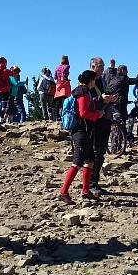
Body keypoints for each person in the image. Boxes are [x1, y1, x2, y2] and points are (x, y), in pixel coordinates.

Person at [56, 70, 103, 205]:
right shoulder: (83, 92)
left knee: (90, 160)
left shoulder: (80, 91)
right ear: (90, 80)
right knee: (77, 162)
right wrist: (97, 115)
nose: (95, 82)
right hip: (80, 132)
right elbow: (83, 112)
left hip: (83, 131)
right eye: (94, 80)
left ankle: (85, 191)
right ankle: (63, 192)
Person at [87, 57, 118, 197]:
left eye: (103, 65)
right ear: (93, 66)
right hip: (95, 121)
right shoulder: (88, 80)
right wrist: (102, 99)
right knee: (95, 153)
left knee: (101, 152)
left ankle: (95, 183)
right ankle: (90, 185)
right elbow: (85, 100)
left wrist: (110, 99)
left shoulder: (102, 80)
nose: (102, 68)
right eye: (100, 66)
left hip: (104, 118)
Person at [105, 65, 135, 139]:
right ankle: (124, 139)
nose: (127, 72)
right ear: (122, 70)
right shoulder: (123, 79)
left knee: (118, 123)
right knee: (122, 122)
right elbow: (134, 81)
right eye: (126, 70)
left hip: (112, 104)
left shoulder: (113, 79)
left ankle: (117, 144)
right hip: (120, 103)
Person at [0, 57, 12, 122]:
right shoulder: (5, 70)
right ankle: (2, 120)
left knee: (0, 105)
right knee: (4, 107)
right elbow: (13, 74)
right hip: (5, 90)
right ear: (4, 62)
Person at [53, 55, 71, 121]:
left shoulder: (57, 67)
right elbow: (64, 74)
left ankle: (57, 116)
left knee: (58, 101)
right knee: (65, 101)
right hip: (64, 84)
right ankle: (64, 115)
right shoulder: (67, 66)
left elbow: (55, 77)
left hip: (58, 84)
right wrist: (65, 78)